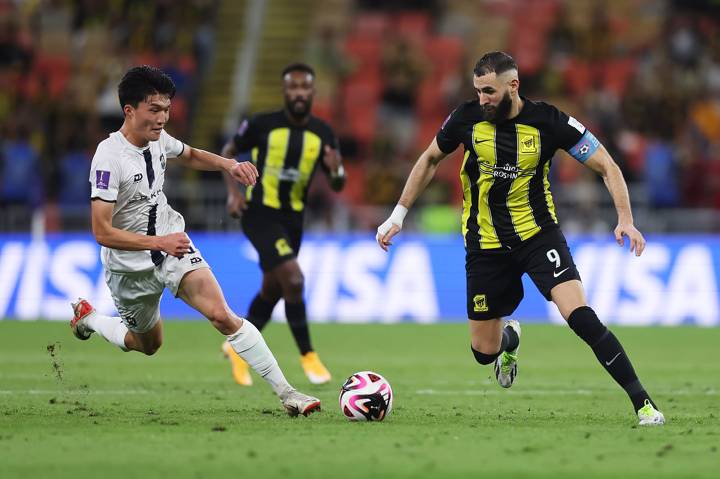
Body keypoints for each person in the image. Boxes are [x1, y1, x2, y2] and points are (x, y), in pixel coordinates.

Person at [376, 52, 665, 426]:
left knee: (581, 317)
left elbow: (607, 165)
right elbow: (430, 158)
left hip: (538, 236)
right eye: (478, 91)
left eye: (490, 91)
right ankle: (509, 342)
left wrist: (625, 218)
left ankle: (644, 404)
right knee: (483, 351)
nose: (483, 99)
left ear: (513, 85)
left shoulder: (549, 121)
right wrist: (398, 215)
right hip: (484, 246)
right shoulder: (465, 118)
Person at [70, 65, 321, 417]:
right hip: (128, 266)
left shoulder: (159, 140)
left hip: (173, 245)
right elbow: (102, 232)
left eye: (167, 110)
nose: (162, 118)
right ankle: (90, 318)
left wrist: (229, 165)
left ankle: (289, 393)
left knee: (222, 316)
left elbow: (188, 154)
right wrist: (157, 244)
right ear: (130, 111)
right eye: (154, 110)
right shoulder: (108, 158)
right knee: (146, 344)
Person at [220, 63, 346, 386]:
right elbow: (228, 151)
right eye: (293, 88)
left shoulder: (323, 132)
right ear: (284, 91)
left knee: (273, 288)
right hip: (259, 213)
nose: (299, 94)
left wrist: (336, 171)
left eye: (305, 88)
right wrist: (233, 194)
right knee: (294, 279)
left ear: (313, 92)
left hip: (293, 221)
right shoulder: (262, 124)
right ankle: (308, 356)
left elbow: (338, 184)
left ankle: (237, 349)